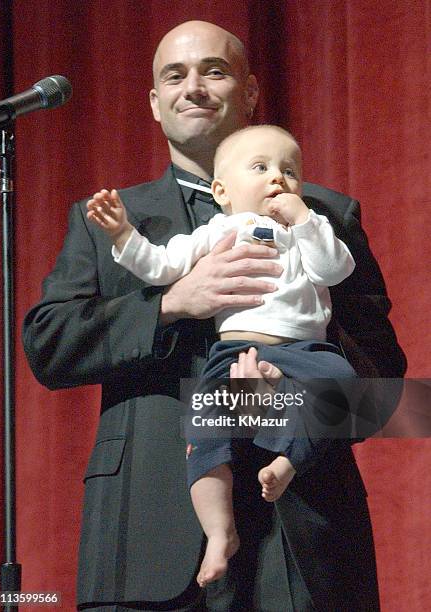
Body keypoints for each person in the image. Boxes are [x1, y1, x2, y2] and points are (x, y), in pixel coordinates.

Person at [22, 20, 407, 612]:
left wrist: (283, 399)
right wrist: (173, 304)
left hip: (301, 541)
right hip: (144, 535)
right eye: (175, 75)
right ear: (154, 103)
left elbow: (386, 393)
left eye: (215, 71)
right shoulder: (111, 221)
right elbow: (48, 347)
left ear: (251, 93)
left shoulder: (326, 218)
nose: (194, 87)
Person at [85, 123, 359, 588]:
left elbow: (335, 270)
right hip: (233, 354)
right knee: (206, 432)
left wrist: (306, 221)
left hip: (308, 351)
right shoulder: (221, 229)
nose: (279, 179)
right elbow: (160, 266)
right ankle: (219, 530)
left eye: (290, 171)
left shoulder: (311, 229)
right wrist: (123, 236)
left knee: (346, 386)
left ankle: (289, 461)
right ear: (222, 191)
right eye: (261, 167)